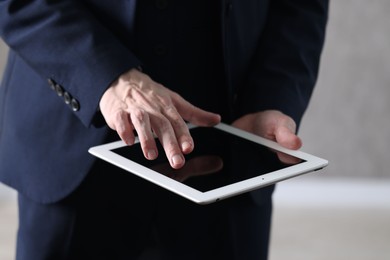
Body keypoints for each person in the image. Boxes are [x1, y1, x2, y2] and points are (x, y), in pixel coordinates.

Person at [0, 0, 328, 259]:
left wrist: (270, 98)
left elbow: (299, 6)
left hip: (229, 154)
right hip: (72, 151)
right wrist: (105, 77)